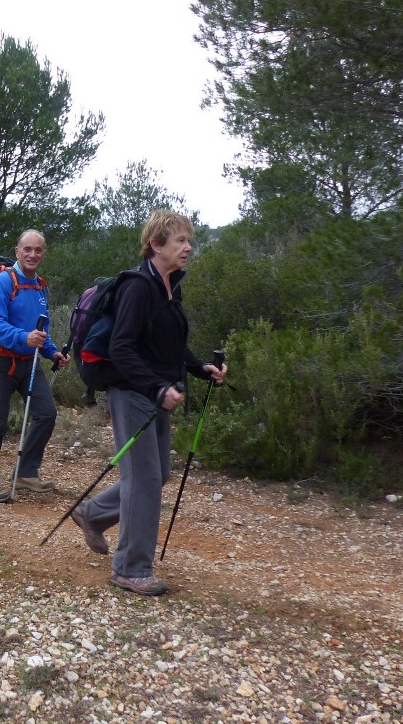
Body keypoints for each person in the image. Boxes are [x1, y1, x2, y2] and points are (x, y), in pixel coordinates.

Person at [69, 209, 227, 596]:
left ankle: (92, 514)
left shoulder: (168, 286)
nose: (188, 247)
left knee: (158, 474)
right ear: (156, 245)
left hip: (155, 390)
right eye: (180, 241)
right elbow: (122, 347)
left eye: (189, 240)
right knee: (144, 479)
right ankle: (130, 568)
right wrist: (157, 388)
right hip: (133, 391)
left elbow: (169, 342)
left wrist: (198, 368)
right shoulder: (140, 287)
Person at [0, 229, 69, 502]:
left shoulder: (41, 286)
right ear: (17, 251)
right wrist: (23, 337)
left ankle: (26, 473)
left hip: (28, 362)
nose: (32, 255)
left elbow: (41, 328)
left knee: (46, 414)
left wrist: (51, 353)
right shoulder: (2, 283)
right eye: (27, 249)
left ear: (43, 253)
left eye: (38, 250)